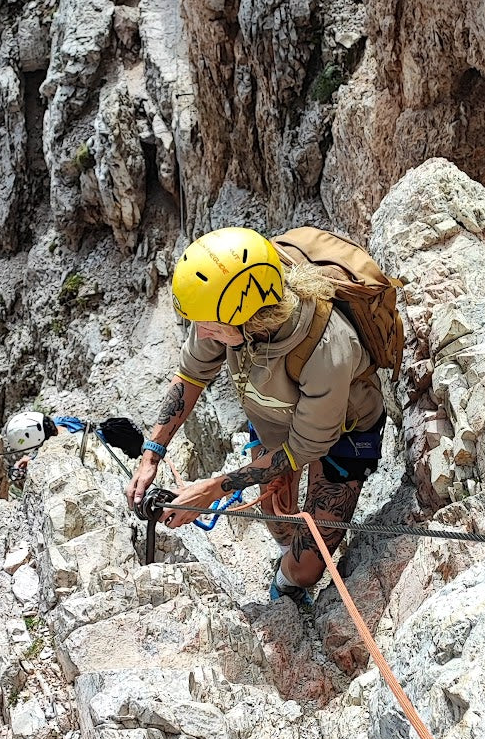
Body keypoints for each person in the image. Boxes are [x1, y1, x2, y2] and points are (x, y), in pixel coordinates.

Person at [125, 227, 385, 605]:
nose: (201, 332)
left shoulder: (327, 348)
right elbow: (192, 374)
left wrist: (212, 489)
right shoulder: (225, 314)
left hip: (343, 431)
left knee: (305, 567)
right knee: (277, 522)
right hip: (275, 417)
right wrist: (151, 455)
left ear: (249, 316)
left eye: (210, 325)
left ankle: (289, 584)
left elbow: (303, 448)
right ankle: (287, 555)